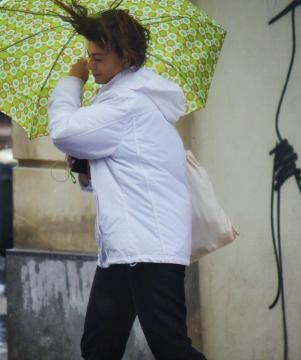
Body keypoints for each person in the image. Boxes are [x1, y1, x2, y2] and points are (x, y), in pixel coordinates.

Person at [48, 2, 206, 359]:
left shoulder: (127, 104)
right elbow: (125, 169)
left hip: (149, 248)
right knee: (99, 346)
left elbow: (62, 130)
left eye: (99, 58)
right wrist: (87, 165)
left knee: (171, 348)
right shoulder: (124, 100)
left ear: (126, 56)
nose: (90, 64)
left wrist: (72, 79)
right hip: (125, 249)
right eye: (88, 57)